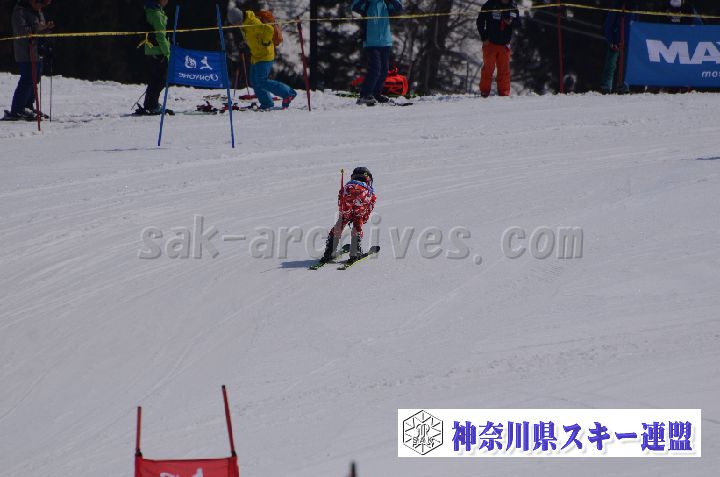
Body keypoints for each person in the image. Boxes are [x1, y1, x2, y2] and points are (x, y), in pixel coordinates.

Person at [5, 0, 54, 121]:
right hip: (25, 52)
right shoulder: (19, 11)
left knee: (35, 79)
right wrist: (39, 29)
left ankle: (28, 106)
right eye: (40, 4)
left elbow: (40, 29)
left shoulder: (38, 11)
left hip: (37, 51)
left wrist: (47, 29)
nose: (41, 7)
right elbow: (21, 31)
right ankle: (17, 109)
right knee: (27, 79)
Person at [351, 0, 403, 106]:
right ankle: (364, 95)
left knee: (384, 70)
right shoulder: (368, 3)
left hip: (385, 41)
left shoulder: (386, 3)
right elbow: (355, 7)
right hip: (371, 41)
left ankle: (376, 94)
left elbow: (398, 7)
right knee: (375, 69)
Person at [242, 10, 296, 110]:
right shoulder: (244, 24)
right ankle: (266, 103)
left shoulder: (253, 22)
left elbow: (269, 29)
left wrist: (265, 42)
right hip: (256, 55)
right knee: (254, 81)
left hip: (265, 55)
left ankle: (288, 93)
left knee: (261, 81)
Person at [321, 167, 377, 263]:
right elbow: (370, 205)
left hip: (346, 205)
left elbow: (341, 199)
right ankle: (355, 253)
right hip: (361, 205)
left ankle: (329, 252)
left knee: (340, 224)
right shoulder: (369, 190)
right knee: (357, 224)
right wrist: (364, 218)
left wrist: (343, 214)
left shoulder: (348, 186)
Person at [476, 0, 520, 98]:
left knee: (504, 71)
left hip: (505, 45)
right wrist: (484, 37)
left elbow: (518, 23)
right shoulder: (490, 4)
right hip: (490, 44)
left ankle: (504, 94)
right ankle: (484, 92)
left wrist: (511, 22)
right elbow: (480, 22)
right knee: (488, 69)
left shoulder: (513, 6)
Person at [135, 0, 171, 115]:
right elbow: (160, 36)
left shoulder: (149, 11)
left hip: (150, 50)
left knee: (154, 79)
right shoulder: (156, 14)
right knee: (160, 80)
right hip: (158, 51)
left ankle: (150, 104)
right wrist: (167, 52)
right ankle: (152, 105)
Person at [600, 0, 637, 94]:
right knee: (611, 64)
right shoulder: (617, 6)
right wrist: (611, 41)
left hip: (628, 41)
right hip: (616, 40)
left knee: (627, 65)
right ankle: (606, 86)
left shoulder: (634, 9)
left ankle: (624, 86)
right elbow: (608, 24)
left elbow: (636, 25)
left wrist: (634, 41)